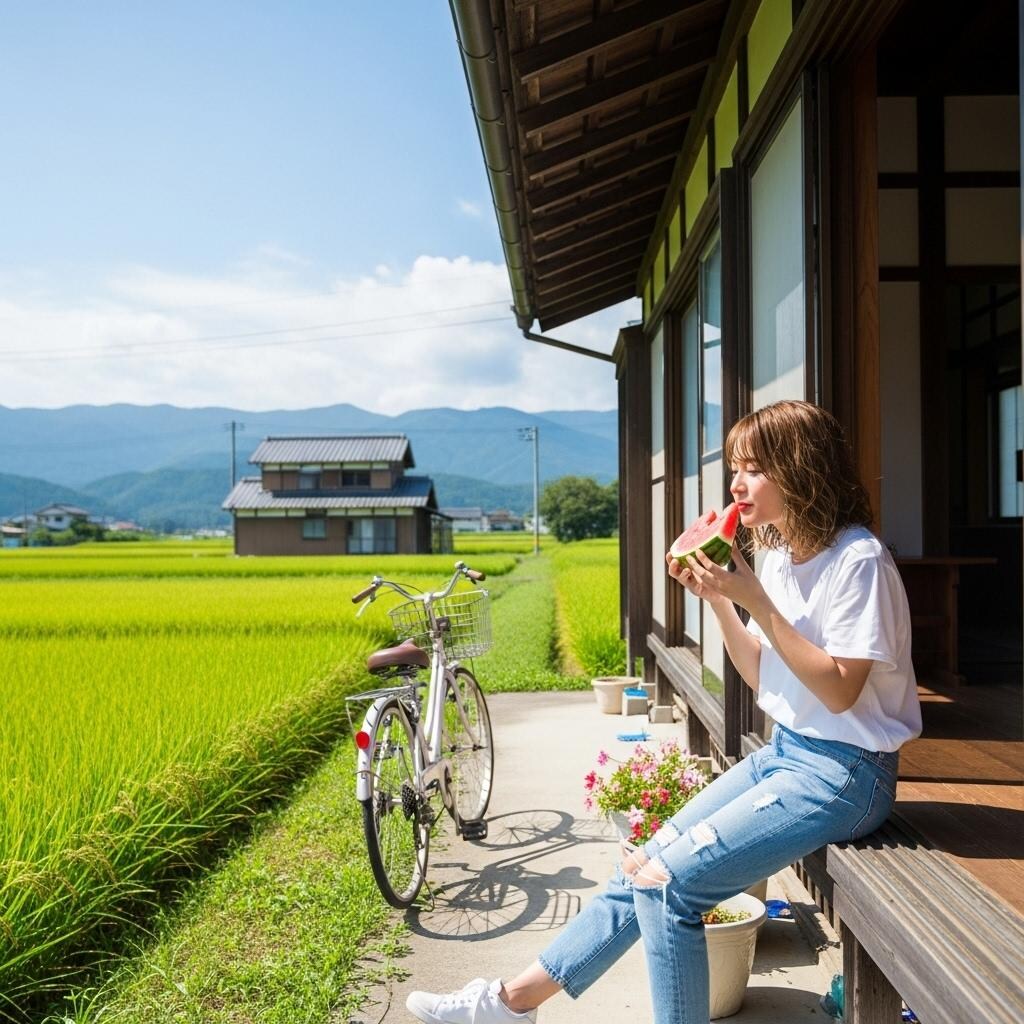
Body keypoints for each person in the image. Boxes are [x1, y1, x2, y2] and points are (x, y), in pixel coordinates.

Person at [406, 399, 922, 1024]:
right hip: (789, 752)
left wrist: (754, 598)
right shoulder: (780, 552)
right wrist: (723, 601)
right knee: (643, 861)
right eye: (735, 467)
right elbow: (763, 672)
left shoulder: (857, 561)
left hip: (847, 774)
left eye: (752, 468)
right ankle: (509, 1005)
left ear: (801, 468)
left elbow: (840, 691)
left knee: (669, 884)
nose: (735, 484)